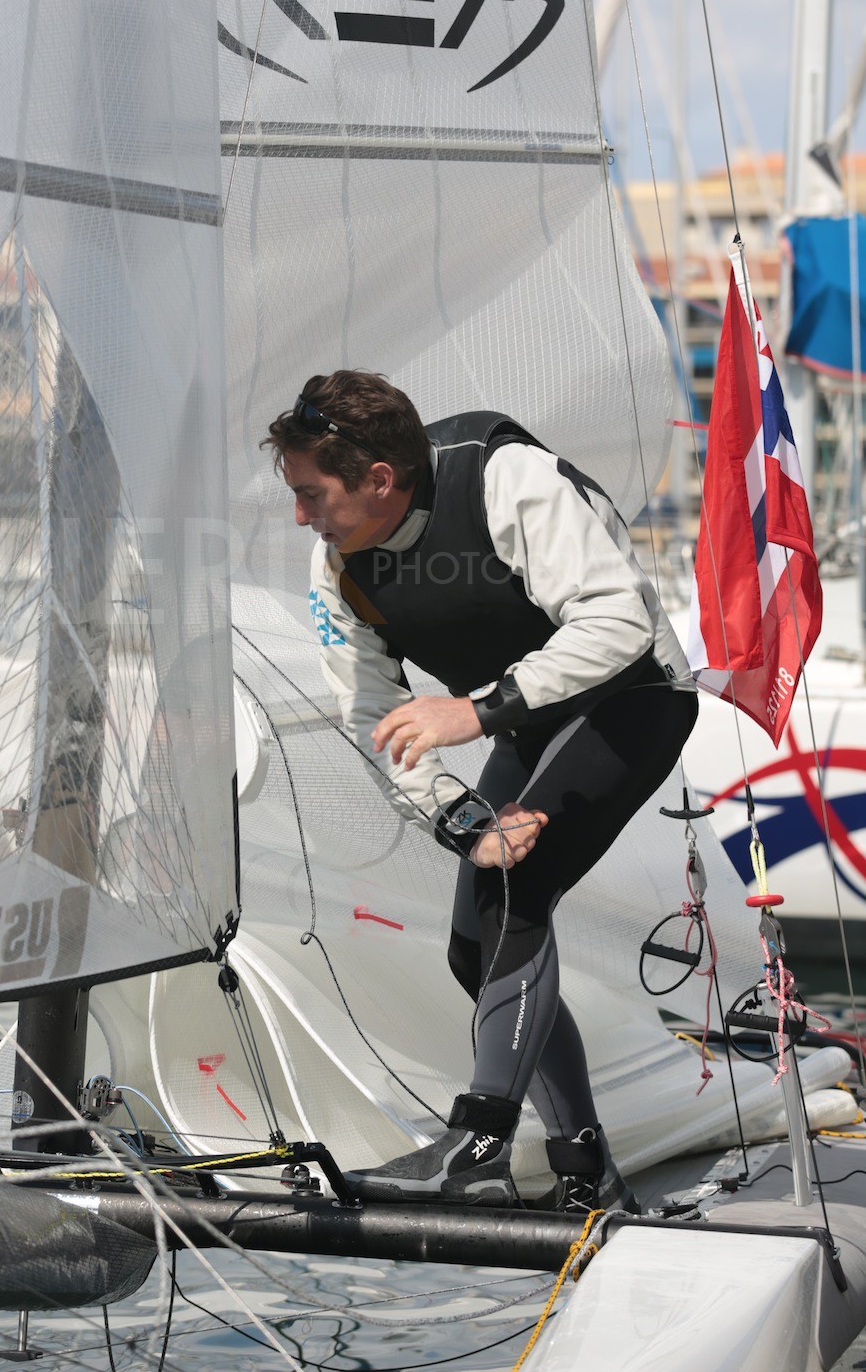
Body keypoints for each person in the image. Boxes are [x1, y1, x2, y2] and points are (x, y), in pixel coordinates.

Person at [263, 370, 698, 1211]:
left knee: (515, 892)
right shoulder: (337, 571)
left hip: (634, 696)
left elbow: (617, 622)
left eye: (311, 494)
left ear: (379, 480)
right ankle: (583, 1172)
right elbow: (373, 715)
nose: (300, 516)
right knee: (476, 944)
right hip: (529, 724)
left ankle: (479, 1141)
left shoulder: (503, 477)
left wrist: (476, 711)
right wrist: (459, 820)